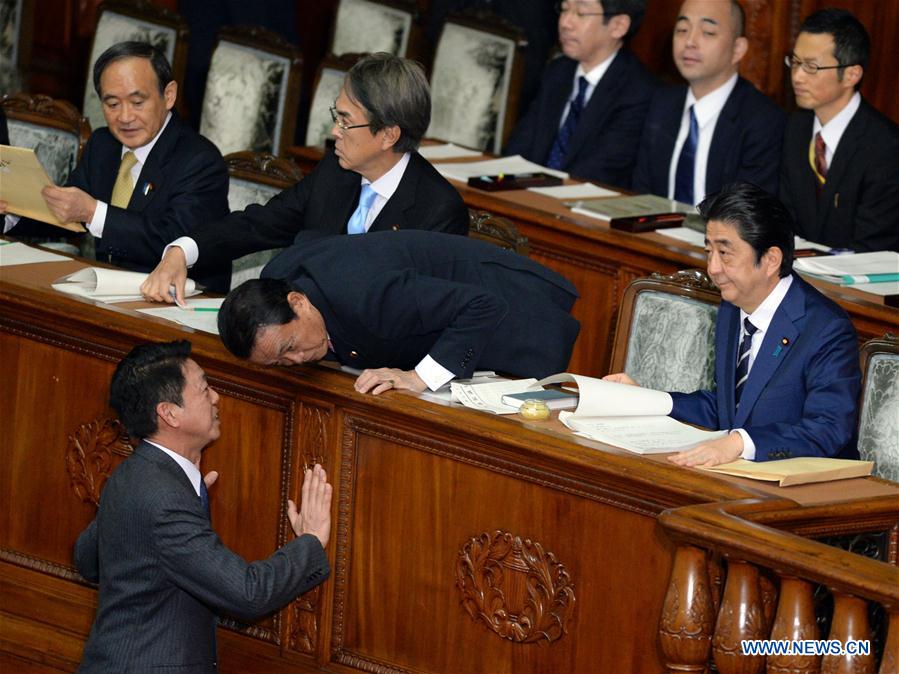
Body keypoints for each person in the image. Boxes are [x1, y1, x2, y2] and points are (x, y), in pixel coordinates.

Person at [74, 340, 332, 672]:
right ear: (169, 413)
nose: (215, 397)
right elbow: (248, 593)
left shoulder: (130, 475)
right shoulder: (164, 498)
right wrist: (310, 541)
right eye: (204, 388)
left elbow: (87, 559)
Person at [141, 52, 470, 305]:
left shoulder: (437, 211)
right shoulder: (336, 173)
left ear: (388, 135)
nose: (333, 131)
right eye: (335, 115)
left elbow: (416, 311)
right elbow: (260, 223)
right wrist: (183, 250)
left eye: (345, 121)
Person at [605, 183, 860, 466]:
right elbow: (728, 409)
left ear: (771, 259)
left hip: (805, 488)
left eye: (725, 254)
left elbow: (828, 429)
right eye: (709, 252)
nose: (712, 268)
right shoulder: (732, 307)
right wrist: (648, 401)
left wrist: (739, 443)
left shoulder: (825, 328)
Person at [217, 230, 580, 394]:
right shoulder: (275, 280)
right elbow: (310, 237)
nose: (296, 361)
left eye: (289, 347)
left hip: (518, 319)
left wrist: (419, 377)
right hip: (448, 316)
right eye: (280, 362)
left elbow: (481, 305)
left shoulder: (370, 298)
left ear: (298, 302)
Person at [2, 42, 231, 290]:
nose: (124, 117)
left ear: (168, 96)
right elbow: (69, 215)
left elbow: (174, 241)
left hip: (177, 300)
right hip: (108, 289)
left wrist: (92, 212)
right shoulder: (103, 144)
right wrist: (12, 213)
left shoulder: (200, 160)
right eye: (112, 104)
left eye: (137, 102)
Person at [631, 0, 784, 204]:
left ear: (738, 49)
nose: (690, 42)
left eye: (708, 32)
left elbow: (748, 212)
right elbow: (642, 194)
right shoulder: (661, 104)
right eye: (682, 29)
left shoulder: (762, 120)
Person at [780, 8, 899, 252]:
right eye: (795, 62)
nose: (797, 77)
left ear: (851, 75)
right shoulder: (795, 127)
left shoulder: (886, 148)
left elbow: (872, 248)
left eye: (811, 67)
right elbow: (783, 220)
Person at [503, 0, 655, 186]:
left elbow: (600, 171)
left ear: (618, 26)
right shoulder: (558, 71)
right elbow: (519, 147)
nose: (565, 23)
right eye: (565, 9)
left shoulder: (638, 91)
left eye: (581, 13)